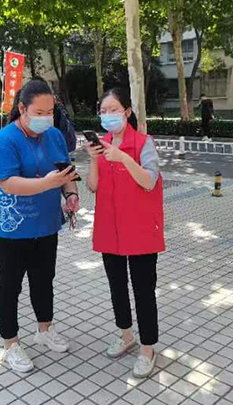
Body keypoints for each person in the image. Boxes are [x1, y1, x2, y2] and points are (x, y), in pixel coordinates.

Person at [0, 79, 79, 373]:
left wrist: (71, 194)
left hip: (47, 225)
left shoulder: (54, 136)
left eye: (50, 112)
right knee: (9, 285)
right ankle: (11, 345)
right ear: (22, 109)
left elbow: (65, 173)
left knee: (43, 280)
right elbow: (8, 183)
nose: (46, 118)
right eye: (39, 112)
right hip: (13, 229)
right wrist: (47, 184)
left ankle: (44, 329)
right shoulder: (4, 141)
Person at [86, 87, 165, 379]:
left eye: (113, 110)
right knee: (117, 286)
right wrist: (93, 158)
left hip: (140, 230)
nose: (107, 116)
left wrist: (124, 158)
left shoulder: (143, 143)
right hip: (110, 229)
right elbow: (93, 186)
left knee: (143, 290)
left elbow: (149, 181)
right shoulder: (102, 145)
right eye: (103, 111)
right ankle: (126, 335)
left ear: (127, 112)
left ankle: (148, 349)